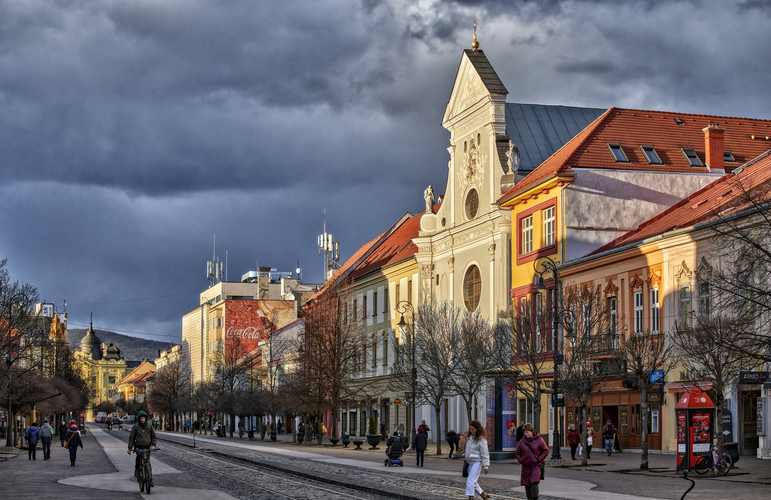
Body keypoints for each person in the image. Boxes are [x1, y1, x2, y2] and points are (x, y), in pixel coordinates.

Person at [516, 422, 548, 500]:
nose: (526, 434)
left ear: (532, 431)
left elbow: (545, 450)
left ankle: (535, 497)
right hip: (525, 466)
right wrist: (521, 460)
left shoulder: (539, 439)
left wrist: (539, 459)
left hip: (535, 465)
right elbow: (517, 452)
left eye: (527, 432)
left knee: (534, 482)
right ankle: (529, 498)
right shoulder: (522, 442)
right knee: (527, 484)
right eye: (525, 432)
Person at [127, 410, 157, 487]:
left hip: (147, 446)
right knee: (139, 456)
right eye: (141, 418)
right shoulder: (135, 427)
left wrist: (153, 445)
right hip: (138, 446)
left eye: (143, 418)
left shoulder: (149, 426)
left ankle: (150, 479)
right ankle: (137, 470)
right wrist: (130, 448)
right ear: (139, 419)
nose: (142, 420)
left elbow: (153, 436)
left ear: (145, 418)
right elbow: (132, 437)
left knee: (148, 462)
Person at [464, 420, 490, 500]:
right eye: (470, 429)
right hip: (469, 461)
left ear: (477, 429)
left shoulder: (481, 440)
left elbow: (485, 453)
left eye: (472, 429)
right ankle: (483, 495)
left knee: (470, 481)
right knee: (473, 481)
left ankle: (471, 497)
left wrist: (486, 466)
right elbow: (468, 449)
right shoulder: (469, 438)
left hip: (477, 462)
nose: (471, 431)